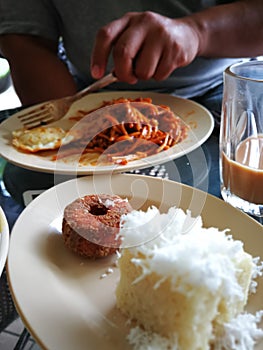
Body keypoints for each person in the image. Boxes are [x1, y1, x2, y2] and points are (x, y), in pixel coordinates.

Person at [0, 0, 262, 116]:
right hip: (80, 95)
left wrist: (196, 32)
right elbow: (25, 40)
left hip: (225, 89)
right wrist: (74, 127)